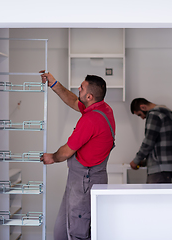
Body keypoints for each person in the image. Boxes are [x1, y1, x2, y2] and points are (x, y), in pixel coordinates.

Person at [39, 71, 115, 240]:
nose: (78, 88)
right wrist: (53, 83)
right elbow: (73, 100)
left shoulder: (91, 120)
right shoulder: (103, 108)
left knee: (78, 231)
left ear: (89, 96)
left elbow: (66, 151)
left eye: (81, 87)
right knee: (62, 229)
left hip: (85, 181)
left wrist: (52, 157)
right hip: (81, 178)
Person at [129, 98, 172, 183]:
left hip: (158, 169)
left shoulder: (154, 115)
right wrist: (145, 162)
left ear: (143, 107)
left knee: (154, 196)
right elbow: (159, 144)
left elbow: (148, 142)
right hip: (166, 167)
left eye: (139, 114)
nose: (142, 118)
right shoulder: (166, 115)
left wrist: (136, 161)